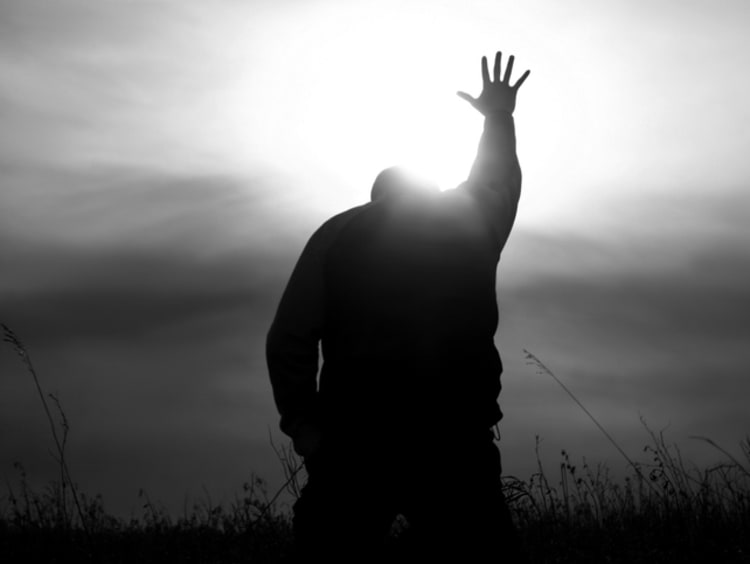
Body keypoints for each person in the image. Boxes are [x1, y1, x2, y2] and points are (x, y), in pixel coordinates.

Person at [266, 51, 530, 562]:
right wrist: (498, 116)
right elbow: (498, 181)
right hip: (455, 437)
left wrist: (305, 428)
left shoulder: (336, 233)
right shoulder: (472, 220)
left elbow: (290, 338)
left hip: (356, 439)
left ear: (375, 196)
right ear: (434, 189)